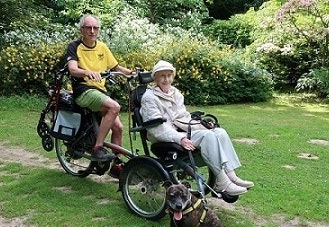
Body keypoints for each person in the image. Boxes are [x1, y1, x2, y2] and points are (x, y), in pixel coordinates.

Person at [140, 60, 254, 196]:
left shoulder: (175, 93)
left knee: (219, 132)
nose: (166, 79)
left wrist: (202, 125)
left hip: (182, 131)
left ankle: (231, 176)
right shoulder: (149, 98)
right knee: (209, 136)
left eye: (169, 75)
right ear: (155, 78)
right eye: (162, 76)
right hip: (166, 138)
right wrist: (180, 138)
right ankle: (222, 183)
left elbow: (184, 117)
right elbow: (157, 129)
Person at [64, 14, 134, 178]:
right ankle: (98, 147)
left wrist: (132, 73)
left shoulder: (102, 47)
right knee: (114, 107)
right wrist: (88, 72)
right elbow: (73, 69)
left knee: (118, 128)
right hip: (83, 90)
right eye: (88, 28)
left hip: (99, 92)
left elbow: (116, 67)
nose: (92, 31)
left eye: (95, 28)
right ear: (82, 29)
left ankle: (117, 166)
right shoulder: (75, 46)